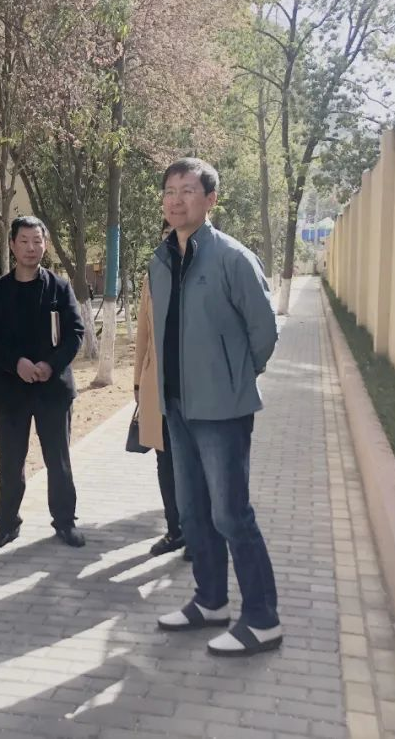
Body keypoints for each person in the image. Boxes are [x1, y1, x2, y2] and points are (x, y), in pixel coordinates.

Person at [150, 158, 282, 657]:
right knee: (193, 512)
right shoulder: (161, 260)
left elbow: (264, 331)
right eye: (170, 190)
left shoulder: (232, 258)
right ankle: (210, 601)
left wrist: (234, 379)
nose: (177, 199)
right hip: (177, 406)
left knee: (231, 513)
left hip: (222, 411)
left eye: (188, 190)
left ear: (210, 200)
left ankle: (263, 620)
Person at [0, 216, 86, 550]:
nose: (31, 248)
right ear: (12, 245)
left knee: (58, 460)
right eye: (23, 241)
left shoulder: (59, 288)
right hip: (11, 392)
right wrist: (16, 364)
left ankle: (65, 522)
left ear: (45, 245)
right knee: (11, 462)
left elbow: (75, 333)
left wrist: (51, 365)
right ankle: (7, 524)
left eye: (37, 241)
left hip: (53, 390)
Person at [133, 219, 187, 559]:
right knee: (165, 461)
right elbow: (143, 332)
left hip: (199, 389)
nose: (172, 239)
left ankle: (199, 534)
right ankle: (175, 530)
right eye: (166, 234)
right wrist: (138, 381)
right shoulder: (152, 276)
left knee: (196, 464)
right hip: (159, 387)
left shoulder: (209, 273)